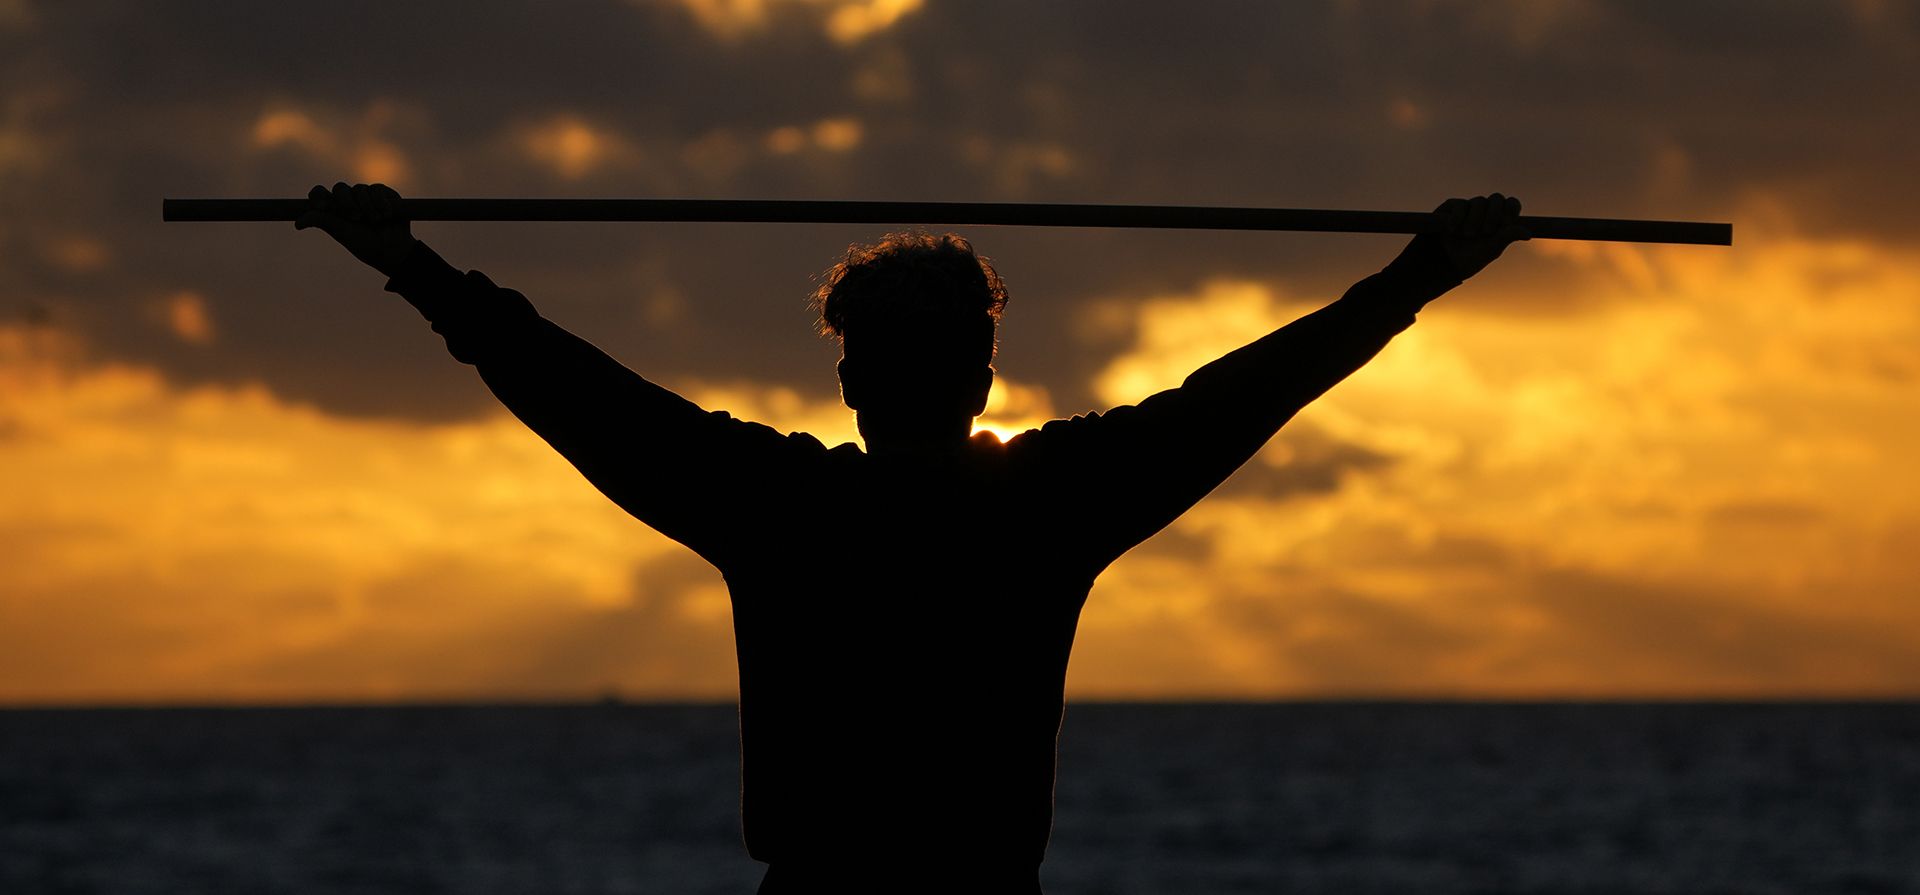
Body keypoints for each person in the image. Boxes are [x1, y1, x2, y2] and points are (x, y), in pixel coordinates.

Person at [299, 183, 1527, 893]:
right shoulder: (1052, 500)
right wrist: (1419, 271)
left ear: (845, 386)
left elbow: (568, 384)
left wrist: (407, 264)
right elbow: (1254, 388)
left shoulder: (775, 502)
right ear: (986, 382)